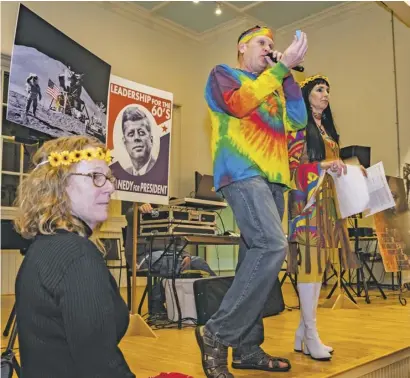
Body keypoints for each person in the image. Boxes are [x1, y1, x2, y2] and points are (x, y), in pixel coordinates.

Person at [197, 25, 308, 377]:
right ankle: (216, 332)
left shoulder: (273, 86)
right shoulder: (224, 74)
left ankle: (246, 348)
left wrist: (286, 73)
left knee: (256, 259)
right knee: (272, 246)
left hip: (275, 178)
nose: (269, 48)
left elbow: (298, 120)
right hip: (241, 171)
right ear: (242, 48)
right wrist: (279, 68)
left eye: (273, 45)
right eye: (262, 43)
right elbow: (240, 105)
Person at [13, 135, 135, 378]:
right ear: (58, 185)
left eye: (109, 178)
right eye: (96, 177)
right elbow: (102, 367)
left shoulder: (45, 246)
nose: (110, 187)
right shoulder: (76, 255)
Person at [287, 75, 361, 361]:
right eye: (319, 89)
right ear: (306, 96)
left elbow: (334, 169)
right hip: (307, 205)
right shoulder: (297, 128)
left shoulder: (329, 132)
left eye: (328, 89)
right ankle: (311, 333)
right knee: (310, 269)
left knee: (319, 270)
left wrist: (352, 171)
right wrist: (323, 165)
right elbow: (292, 170)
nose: (325, 93)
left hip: (328, 205)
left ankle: (301, 333)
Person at [125, 203, 216, 317]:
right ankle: (155, 304)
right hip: (142, 256)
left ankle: (218, 298)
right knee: (171, 262)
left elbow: (176, 243)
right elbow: (129, 215)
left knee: (198, 262)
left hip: (169, 254)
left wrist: (185, 255)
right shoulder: (136, 212)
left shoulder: (167, 216)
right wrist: (138, 209)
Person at [122, 106, 157, 175]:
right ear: (124, 142)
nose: (136, 138)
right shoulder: (123, 174)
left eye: (141, 133)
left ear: (151, 140)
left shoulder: (160, 170)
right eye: (131, 134)